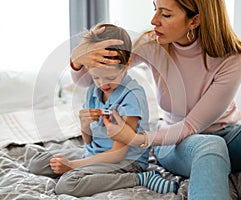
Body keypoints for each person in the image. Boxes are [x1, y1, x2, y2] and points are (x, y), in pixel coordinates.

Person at [69, 1, 241, 200]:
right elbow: (89, 80)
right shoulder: (152, 44)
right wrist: (78, 57)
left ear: (195, 20)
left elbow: (192, 125)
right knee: (210, 145)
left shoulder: (236, 60)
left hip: (228, 138)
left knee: (217, 142)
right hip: (175, 144)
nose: (154, 21)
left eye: (166, 14)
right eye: (155, 9)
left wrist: (136, 138)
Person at [29, 23, 178, 197]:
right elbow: (90, 142)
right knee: (37, 163)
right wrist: (84, 125)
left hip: (126, 160)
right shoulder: (94, 89)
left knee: (67, 185)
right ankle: (86, 168)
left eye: (110, 77)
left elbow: (118, 154)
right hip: (97, 153)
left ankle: (141, 178)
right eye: (96, 76)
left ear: (127, 64)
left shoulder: (132, 95)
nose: (102, 84)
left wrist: (73, 165)